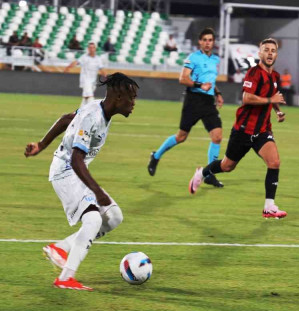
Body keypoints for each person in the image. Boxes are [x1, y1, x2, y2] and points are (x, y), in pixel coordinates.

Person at [24, 73, 139, 291]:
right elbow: (76, 160)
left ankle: (61, 248)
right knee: (94, 219)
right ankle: (66, 278)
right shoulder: (92, 117)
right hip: (65, 171)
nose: (134, 103)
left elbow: (68, 119)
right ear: (118, 97)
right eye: (131, 98)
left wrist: (41, 144)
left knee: (114, 217)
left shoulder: (99, 109)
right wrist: (98, 192)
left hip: (74, 170)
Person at [188, 38, 288, 219]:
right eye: (266, 49)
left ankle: (269, 207)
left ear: (276, 54)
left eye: (273, 50)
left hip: (262, 131)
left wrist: (278, 111)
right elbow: (247, 98)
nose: (270, 53)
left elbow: (272, 96)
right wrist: (271, 101)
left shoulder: (275, 76)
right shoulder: (254, 73)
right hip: (243, 130)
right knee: (227, 166)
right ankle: (202, 173)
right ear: (260, 53)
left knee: (274, 163)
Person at [147, 28, 225, 188]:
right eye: (205, 40)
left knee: (217, 136)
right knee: (181, 137)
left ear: (213, 42)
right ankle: (156, 156)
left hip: (208, 102)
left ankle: (209, 174)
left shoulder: (215, 60)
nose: (207, 43)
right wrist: (199, 85)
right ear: (200, 42)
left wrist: (217, 93)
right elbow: (182, 78)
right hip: (193, 100)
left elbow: (210, 80)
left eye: (210, 40)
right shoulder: (193, 58)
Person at [64, 42, 107, 106]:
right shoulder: (84, 57)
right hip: (85, 80)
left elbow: (101, 69)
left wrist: (106, 77)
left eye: (93, 48)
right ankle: (94, 110)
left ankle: (80, 113)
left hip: (93, 81)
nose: (91, 49)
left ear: (95, 49)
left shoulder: (98, 59)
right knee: (90, 96)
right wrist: (68, 67)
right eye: (90, 48)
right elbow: (76, 62)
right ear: (88, 49)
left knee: (85, 99)